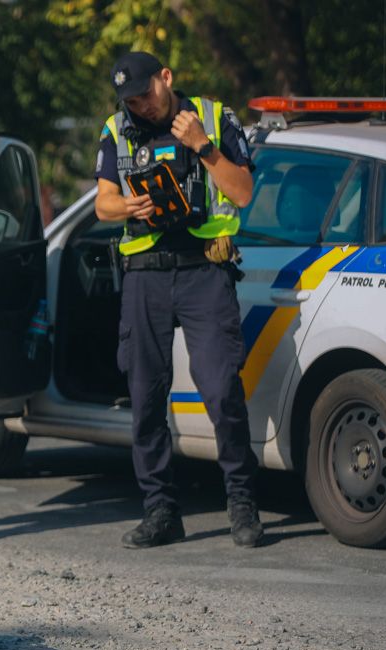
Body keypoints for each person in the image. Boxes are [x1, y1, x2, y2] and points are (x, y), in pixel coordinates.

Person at [93, 52, 265, 548]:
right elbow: (103, 201)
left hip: (204, 270)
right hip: (145, 275)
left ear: (166, 77)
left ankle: (242, 503)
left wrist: (203, 146)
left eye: (145, 94)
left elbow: (243, 192)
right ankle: (161, 511)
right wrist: (127, 205)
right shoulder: (117, 128)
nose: (140, 106)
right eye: (130, 101)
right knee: (146, 398)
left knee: (222, 391)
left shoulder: (214, 117)